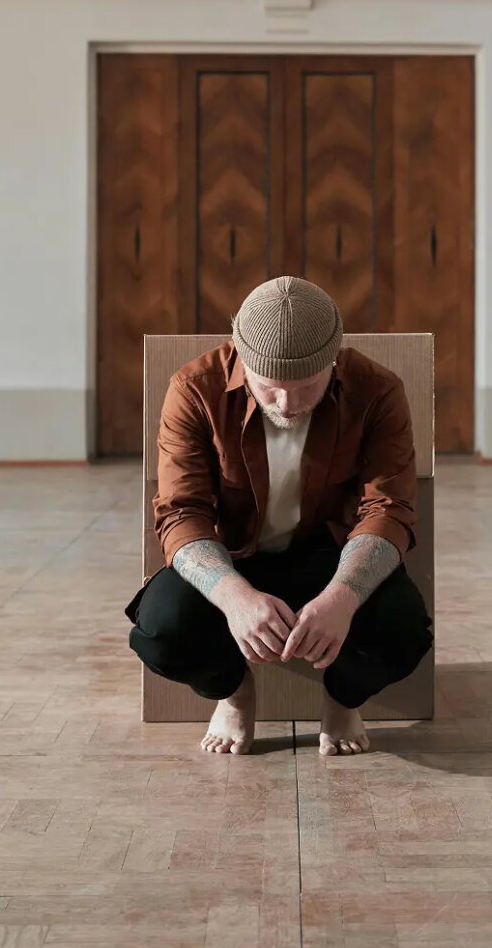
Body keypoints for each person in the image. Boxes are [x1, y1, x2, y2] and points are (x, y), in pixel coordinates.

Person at [124, 275, 432, 756]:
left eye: (308, 386)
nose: (287, 405)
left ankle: (342, 699)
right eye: (268, 388)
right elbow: (182, 512)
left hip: (332, 555)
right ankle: (233, 691)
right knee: (162, 631)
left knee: (405, 630)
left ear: (333, 360)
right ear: (241, 359)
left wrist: (343, 598)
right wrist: (234, 598)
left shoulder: (377, 390)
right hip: (234, 557)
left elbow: (388, 508)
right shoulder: (194, 389)